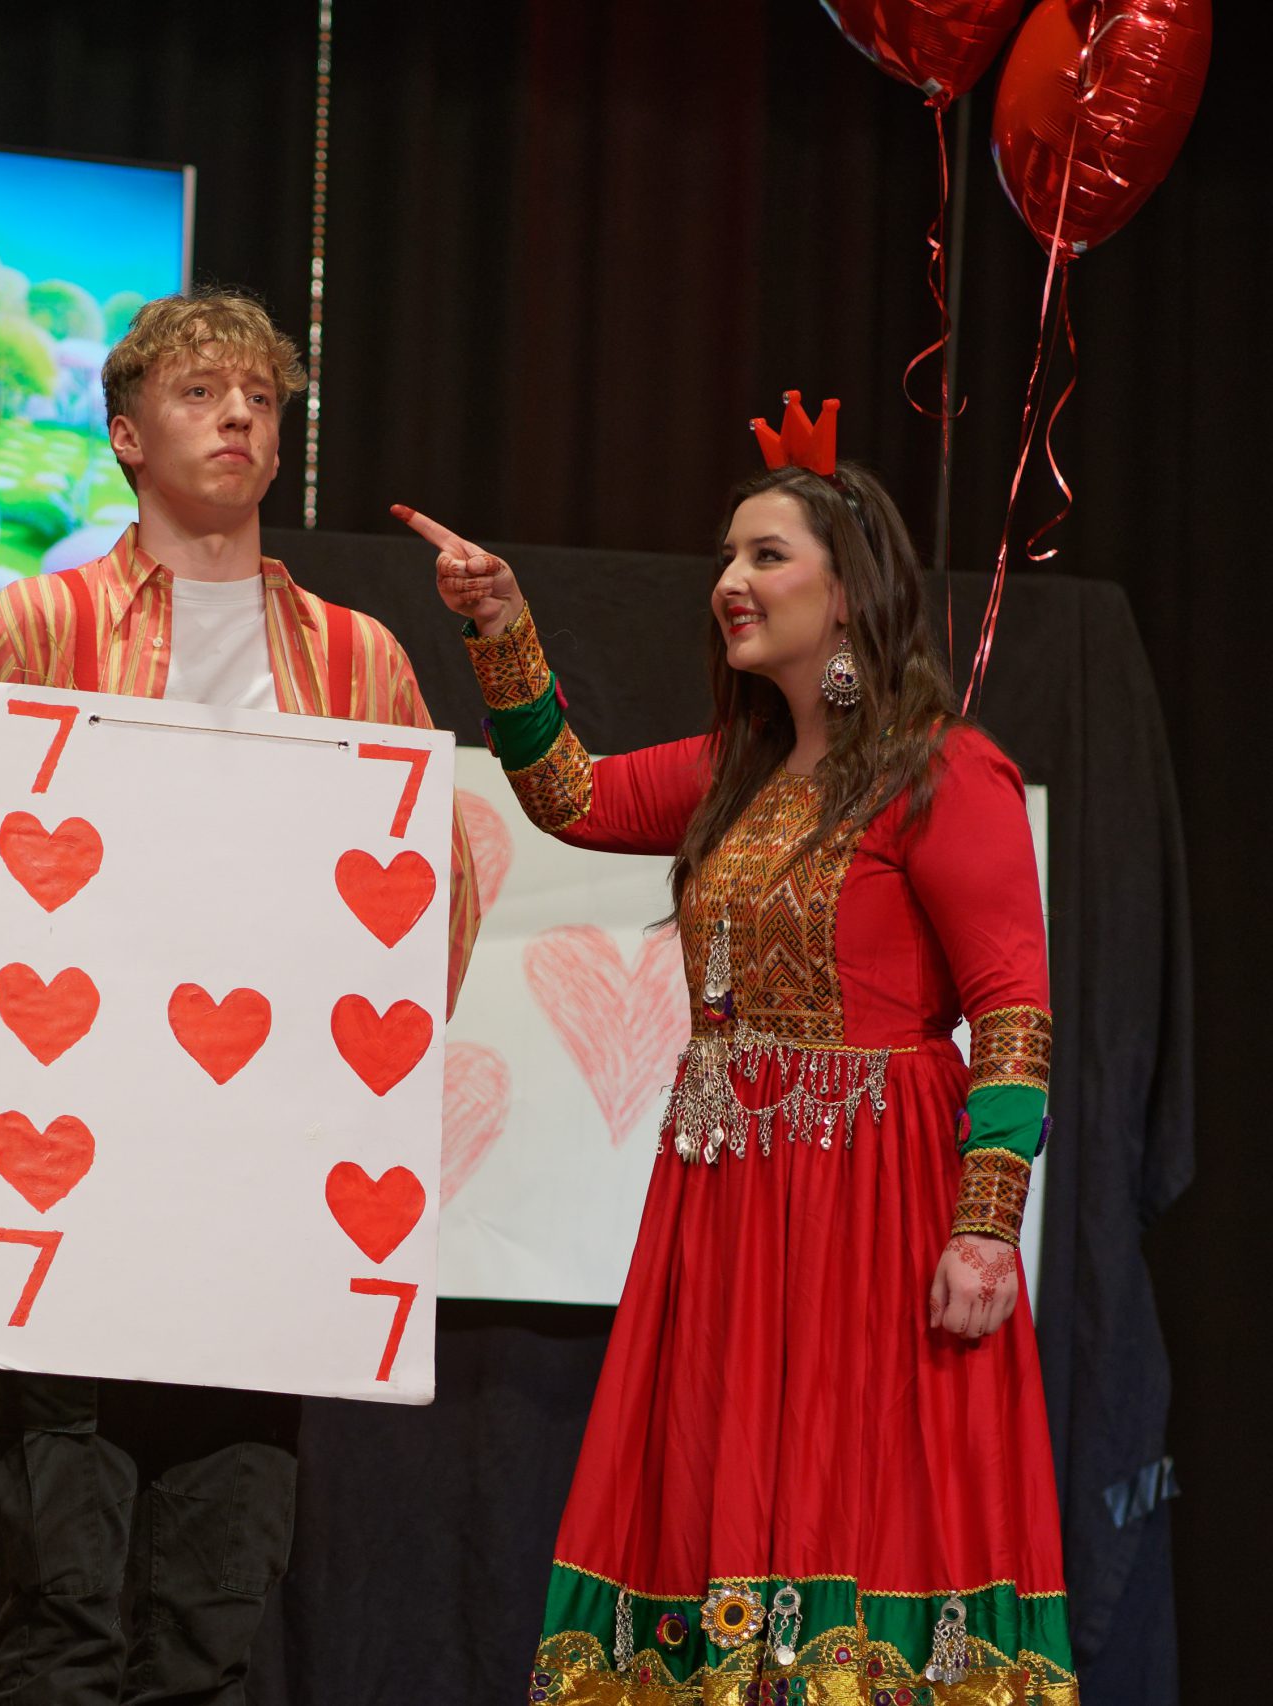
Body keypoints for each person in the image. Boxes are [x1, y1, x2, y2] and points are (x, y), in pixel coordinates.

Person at [0, 290, 482, 1706]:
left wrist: (352, 1090)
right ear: (127, 436)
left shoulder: (358, 655)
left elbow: (437, 885)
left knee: (212, 1620)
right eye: (200, 393)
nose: (238, 414)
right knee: (66, 1610)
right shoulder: (36, 621)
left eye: (259, 395)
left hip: (264, 1196)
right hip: (80, 1184)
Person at [407, 392, 1072, 1702]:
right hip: (732, 1200)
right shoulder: (739, 772)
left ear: (850, 589)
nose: (730, 580)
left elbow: (1013, 1009)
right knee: (723, 1486)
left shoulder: (941, 774)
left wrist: (986, 1223)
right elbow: (569, 795)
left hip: (870, 1205)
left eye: (767, 554)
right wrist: (500, 628)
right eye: (727, 555)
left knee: (858, 1492)